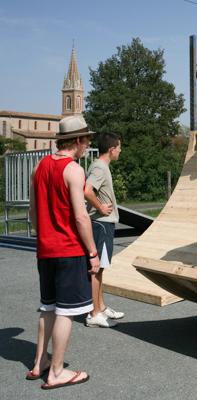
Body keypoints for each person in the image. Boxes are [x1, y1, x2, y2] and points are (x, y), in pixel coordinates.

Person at [28, 115, 99, 389]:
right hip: (68, 250)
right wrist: (92, 252)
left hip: (45, 250)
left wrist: (45, 235)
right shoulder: (74, 170)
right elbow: (81, 218)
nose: (87, 145)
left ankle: (38, 364)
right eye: (87, 140)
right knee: (66, 312)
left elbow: (33, 211)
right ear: (78, 141)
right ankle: (57, 371)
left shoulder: (39, 165)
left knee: (48, 307)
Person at [83, 132, 125, 328]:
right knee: (96, 269)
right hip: (101, 222)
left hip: (105, 222)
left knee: (101, 268)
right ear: (111, 149)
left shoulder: (101, 166)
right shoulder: (99, 167)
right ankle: (94, 313)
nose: (120, 150)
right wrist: (100, 207)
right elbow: (87, 190)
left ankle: (101, 306)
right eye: (119, 147)